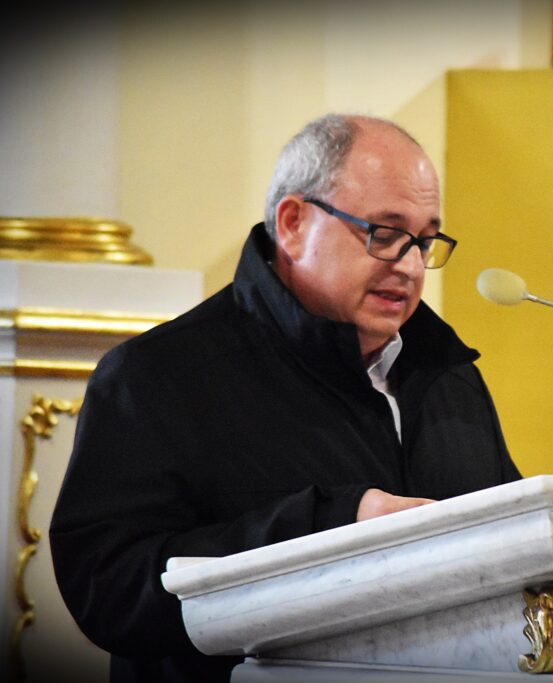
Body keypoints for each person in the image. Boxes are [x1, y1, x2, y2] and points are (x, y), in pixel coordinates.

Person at [49, 114, 521, 682]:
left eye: (424, 241)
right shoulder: (159, 376)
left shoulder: (449, 377)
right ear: (294, 223)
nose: (411, 266)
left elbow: (509, 557)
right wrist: (331, 525)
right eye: (384, 234)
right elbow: (109, 592)